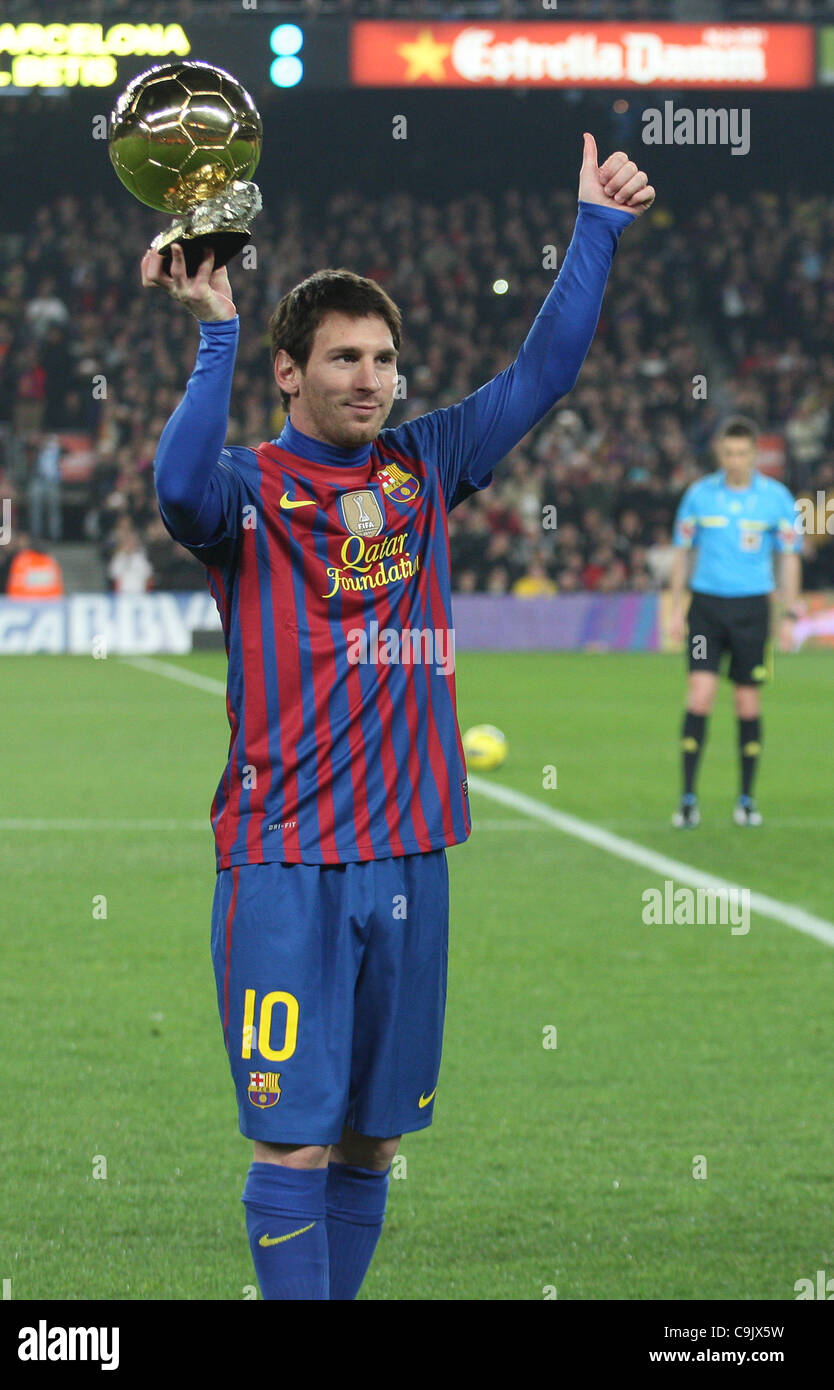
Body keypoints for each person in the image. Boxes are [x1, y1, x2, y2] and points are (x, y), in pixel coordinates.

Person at [145, 134, 654, 1301]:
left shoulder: (422, 468)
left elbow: (541, 377)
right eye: (341, 359)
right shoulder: (249, 493)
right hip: (282, 861)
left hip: (409, 855)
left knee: (374, 1140)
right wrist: (214, 329)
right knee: (292, 1140)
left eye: (382, 358)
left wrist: (592, 230)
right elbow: (175, 489)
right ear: (289, 372)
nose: (370, 379)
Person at [668, 417, 802, 828]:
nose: (735, 460)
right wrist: (676, 609)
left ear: (755, 454)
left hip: (752, 612)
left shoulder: (776, 498)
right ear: (719, 454)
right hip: (706, 609)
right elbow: (682, 552)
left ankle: (746, 800)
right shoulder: (698, 496)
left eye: (743, 453)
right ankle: (688, 799)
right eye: (729, 452)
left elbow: (788, 556)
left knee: (747, 703)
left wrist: (789, 612)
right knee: (700, 695)